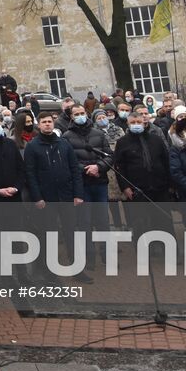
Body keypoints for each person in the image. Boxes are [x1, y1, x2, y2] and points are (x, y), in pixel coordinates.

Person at [23, 112, 87, 282]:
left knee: (71, 233)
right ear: (39, 125)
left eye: (49, 122)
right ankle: (50, 271)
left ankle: (77, 270)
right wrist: (37, 197)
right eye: (43, 122)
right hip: (46, 198)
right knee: (49, 235)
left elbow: (75, 169)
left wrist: (78, 194)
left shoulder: (64, 144)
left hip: (66, 196)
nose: (47, 125)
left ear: (54, 123)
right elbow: (30, 174)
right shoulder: (32, 146)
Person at [63, 104, 110, 269]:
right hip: (82, 185)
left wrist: (99, 167)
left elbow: (109, 156)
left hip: (100, 183)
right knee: (85, 222)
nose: (80, 116)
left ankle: (107, 255)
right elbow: (68, 161)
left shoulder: (99, 134)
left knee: (104, 222)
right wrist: (86, 169)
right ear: (71, 117)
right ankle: (90, 258)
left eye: (82, 113)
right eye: (77, 114)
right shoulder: (67, 137)